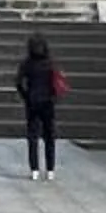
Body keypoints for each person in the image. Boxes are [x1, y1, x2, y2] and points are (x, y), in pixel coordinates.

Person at [16, 35, 64, 181]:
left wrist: (25, 96)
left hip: (32, 101)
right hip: (48, 101)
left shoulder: (27, 64)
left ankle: (34, 169)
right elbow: (56, 82)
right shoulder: (50, 63)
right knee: (49, 136)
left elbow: (19, 82)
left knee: (33, 136)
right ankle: (50, 169)